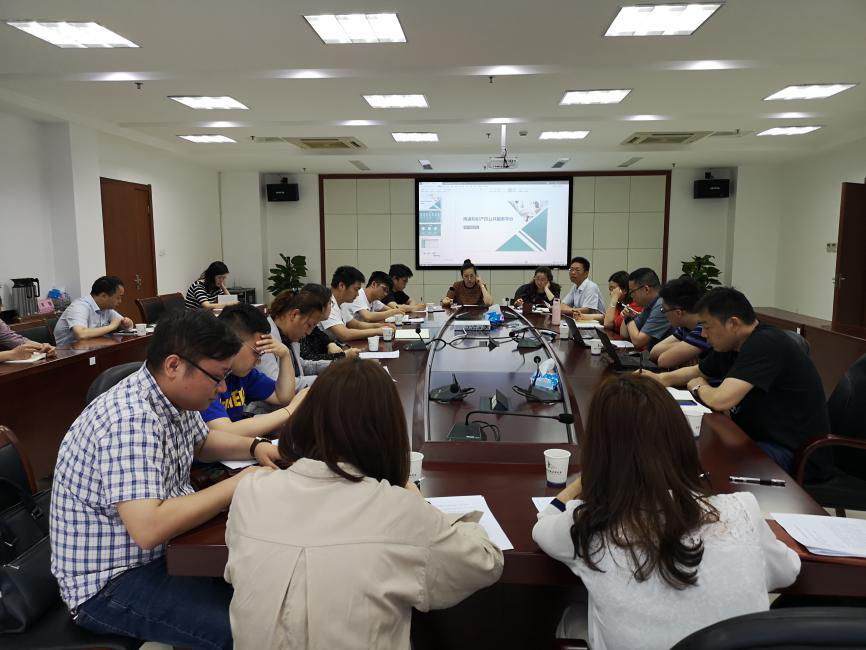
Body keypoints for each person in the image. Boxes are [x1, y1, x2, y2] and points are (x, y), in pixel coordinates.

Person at [225, 357, 504, 648]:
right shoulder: (398, 510)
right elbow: (485, 562)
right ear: (387, 430)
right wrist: (421, 505)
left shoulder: (250, 492)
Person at [49, 310, 281, 649]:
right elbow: (149, 528)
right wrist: (239, 483)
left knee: (263, 594)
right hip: (110, 582)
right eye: (217, 377)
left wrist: (255, 447)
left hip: (162, 552)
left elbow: (201, 442)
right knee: (247, 633)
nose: (221, 389)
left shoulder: (175, 397)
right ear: (174, 365)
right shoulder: (130, 420)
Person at [532, 374, 800, 649]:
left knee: (572, 617)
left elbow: (542, 525)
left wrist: (584, 481)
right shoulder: (742, 510)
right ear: (681, 439)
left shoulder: (588, 522)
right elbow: (789, 570)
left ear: (599, 451)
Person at [643, 287, 832, 479]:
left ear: (733, 323)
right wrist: (659, 379)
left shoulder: (765, 343)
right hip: (756, 435)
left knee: (703, 462)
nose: (704, 335)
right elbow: (698, 371)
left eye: (707, 327)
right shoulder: (732, 344)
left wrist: (699, 387)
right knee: (688, 448)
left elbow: (721, 400)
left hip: (792, 452)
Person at [201, 303, 303, 438]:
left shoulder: (243, 374)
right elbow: (225, 432)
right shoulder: (205, 377)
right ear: (233, 343)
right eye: (257, 352)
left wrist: (284, 355)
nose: (259, 361)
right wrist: (290, 410)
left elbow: (283, 397)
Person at [318, 266, 395, 343]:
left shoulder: (342, 303)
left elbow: (355, 324)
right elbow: (344, 335)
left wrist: (380, 326)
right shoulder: (327, 303)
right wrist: (377, 331)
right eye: (356, 289)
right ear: (341, 286)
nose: (357, 294)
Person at [649, 276, 712, 368]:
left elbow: (663, 361)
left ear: (678, 313)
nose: (664, 314)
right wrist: (685, 344)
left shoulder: (703, 329)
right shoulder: (686, 326)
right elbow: (654, 352)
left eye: (664, 310)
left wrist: (683, 346)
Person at [53, 276, 133, 346]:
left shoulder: (106, 308)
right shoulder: (79, 307)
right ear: (104, 296)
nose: (120, 301)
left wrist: (126, 324)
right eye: (118, 297)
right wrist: (111, 326)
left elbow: (122, 322)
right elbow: (81, 334)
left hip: (90, 349)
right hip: (67, 354)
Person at [620, 267, 672, 350]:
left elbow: (638, 342)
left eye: (632, 291)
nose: (631, 296)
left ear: (646, 289)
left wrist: (629, 319)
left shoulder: (662, 305)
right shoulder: (649, 305)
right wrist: (627, 317)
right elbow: (624, 334)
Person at [343, 270, 413, 323]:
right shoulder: (359, 295)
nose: (385, 294)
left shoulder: (374, 300)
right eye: (384, 289)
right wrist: (393, 311)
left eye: (387, 291)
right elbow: (368, 316)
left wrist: (398, 310)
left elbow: (389, 309)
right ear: (374, 284)